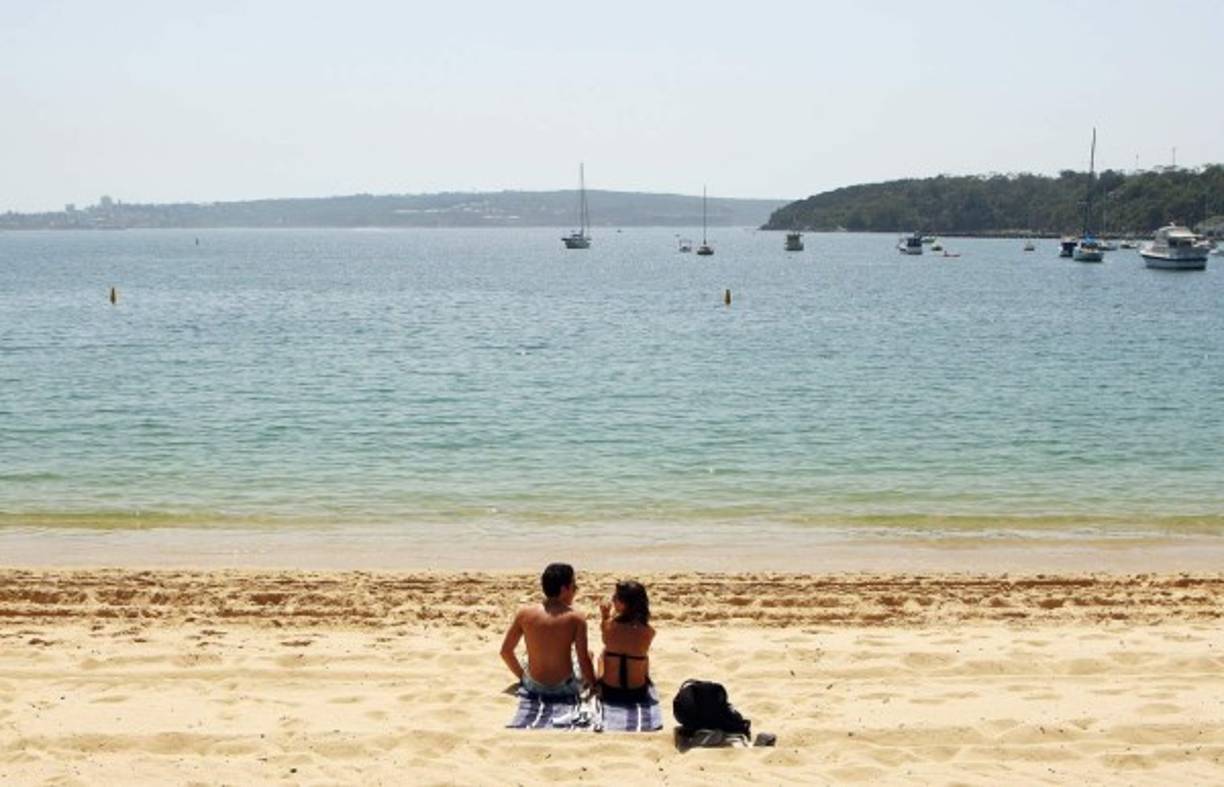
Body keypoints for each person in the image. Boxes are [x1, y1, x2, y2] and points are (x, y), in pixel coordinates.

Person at [500, 563, 597, 697]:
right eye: (574, 586)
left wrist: (523, 677)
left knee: (527, 657)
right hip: (565, 688)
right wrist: (594, 686)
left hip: (533, 686)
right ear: (564, 589)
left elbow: (505, 651)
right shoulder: (576, 618)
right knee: (590, 654)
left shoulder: (524, 614)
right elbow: (583, 659)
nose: (576, 590)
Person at [597, 580, 655, 702]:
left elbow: (606, 639)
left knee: (603, 655)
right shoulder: (649, 631)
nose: (613, 600)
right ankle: (647, 681)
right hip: (638, 692)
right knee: (643, 656)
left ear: (626, 603)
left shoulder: (609, 626)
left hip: (610, 691)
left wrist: (605, 616)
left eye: (616, 597)